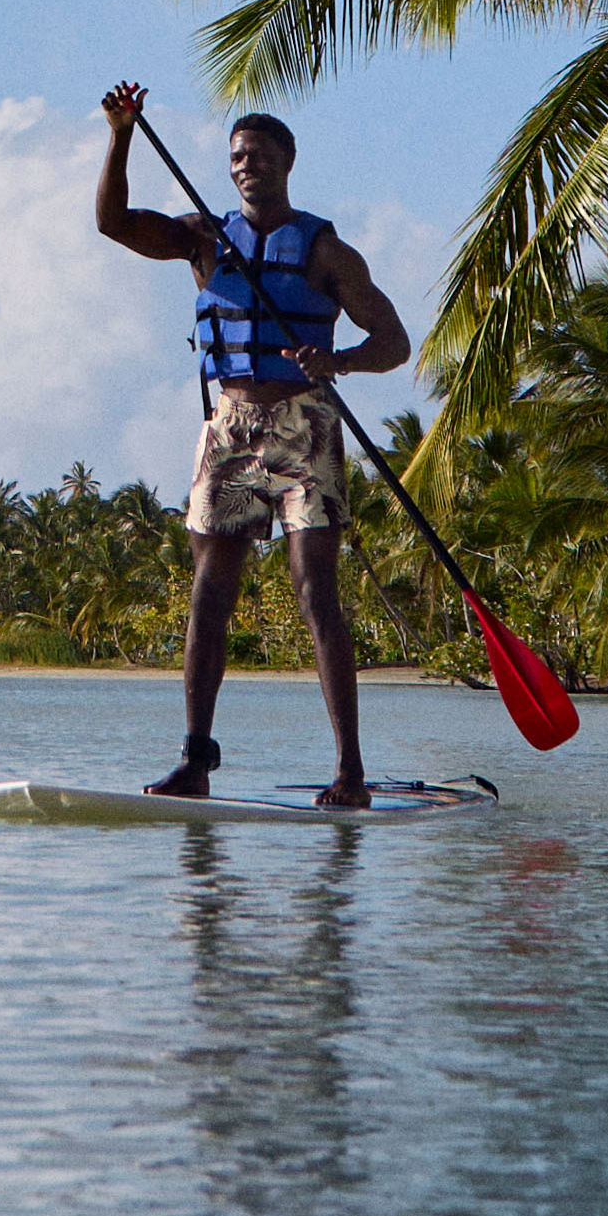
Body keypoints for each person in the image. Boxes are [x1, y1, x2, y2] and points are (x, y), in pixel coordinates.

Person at [93, 84, 416, 807]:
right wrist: (121, 136)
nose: (247, 166)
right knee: (209, 593)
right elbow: (112, 222)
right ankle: (195, 761)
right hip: (230, 429)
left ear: (287, 163)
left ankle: (351, 773)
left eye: (261, 156)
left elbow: (393, 340)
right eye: (238, 156)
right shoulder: (202, 238)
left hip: (304, 424)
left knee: (315, 591)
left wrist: (339, 362)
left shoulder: (327, 251)